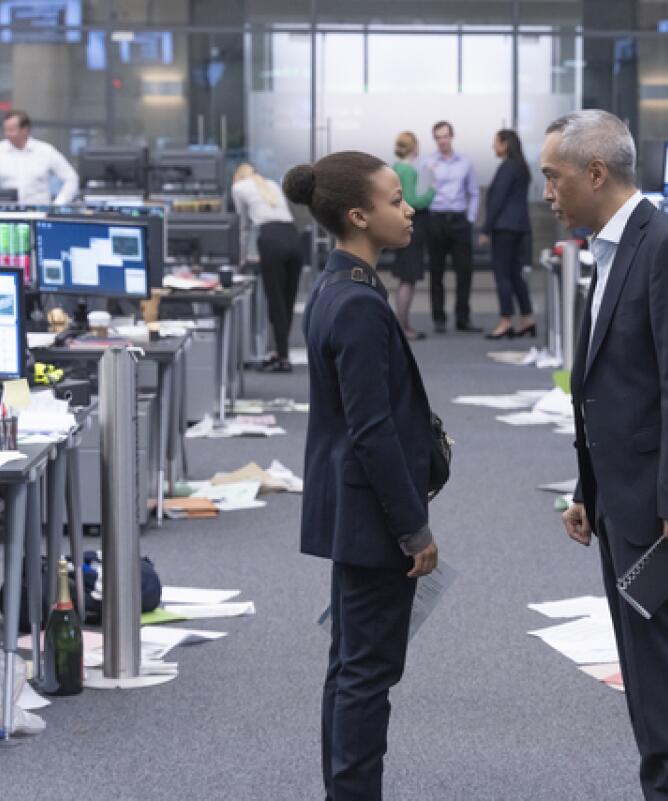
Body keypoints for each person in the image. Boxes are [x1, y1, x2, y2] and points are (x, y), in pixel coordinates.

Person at [544, 110, 668, 801]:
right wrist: (587, 488)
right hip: (622, 495)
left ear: (595, 172)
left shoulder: (665, 246)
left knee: (661, 668)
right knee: (642, 665)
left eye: (554, 176)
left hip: (663, 506)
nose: (547, 191)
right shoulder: (611, 248)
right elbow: (616, 383)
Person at [285, 151, 439, 801]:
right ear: (358, 215)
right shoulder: (357, 303)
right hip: (373, 513)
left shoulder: (338, 285)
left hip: (350, 505)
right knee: (366, 674)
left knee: (349, 666)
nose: (408, 210)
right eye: (394, 199)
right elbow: (371, 429)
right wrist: (414, 529)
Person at [231, 163, 302, 372]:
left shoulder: (238, 188)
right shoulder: (271, 183)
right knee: (288, 300)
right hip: (293, 236)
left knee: (276, 299)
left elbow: (243, 225)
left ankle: (282, 357)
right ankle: (281, 353)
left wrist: (241, 257)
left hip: (271, 239)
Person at [422, 120, 481, 333]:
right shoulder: (427, 162)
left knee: (464, 271)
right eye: (438, 137)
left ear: (451, 137)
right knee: (436, 272)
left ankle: (462, 318)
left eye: (445, 136)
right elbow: (420, 192)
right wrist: (427, 175)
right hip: (436, 219)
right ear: (435, 139)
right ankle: (439, 318)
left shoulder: (465, 163)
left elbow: (474, 192)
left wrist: (471, 218)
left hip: (459, 220)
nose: (442, 141)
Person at [479, 129, 535, 340]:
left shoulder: (507, 168)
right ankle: (527, 318)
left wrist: (486, 229)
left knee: (502, 275)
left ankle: (505, 321)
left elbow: (497, 201)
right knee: (515, 274)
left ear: (505, 144)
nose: (493, 146)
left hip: (504, 228)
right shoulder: (522, 167)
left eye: (496, 142)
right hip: (520, 227)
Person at [0, 110, 78, 205]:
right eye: (5, 130)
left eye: (11, 130)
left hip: (39, 213)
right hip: (7, 214)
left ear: (25, 130)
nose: (7, 134)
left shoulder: (45, 151)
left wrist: (58, 205)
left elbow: (71, 179)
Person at [391, 131, 436, 341]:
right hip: (411, 226)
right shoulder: (407, 170)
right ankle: (402, 326)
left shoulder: (395, 167)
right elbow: (413, 202)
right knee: (408, 278)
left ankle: (403, 324)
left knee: (405, 277)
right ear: (413, 147)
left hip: (399, 226)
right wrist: (432, 192)